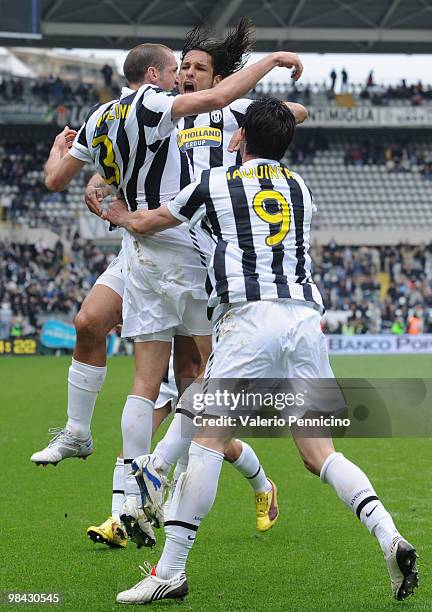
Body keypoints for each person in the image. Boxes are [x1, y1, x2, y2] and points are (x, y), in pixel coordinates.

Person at [105, 99, 418, 605]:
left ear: (241, 136)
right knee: (320, 454)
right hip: (303, 322)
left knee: (206, 442)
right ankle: (389, 535)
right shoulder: (300, 188)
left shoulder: (214, 184)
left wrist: (113, 208)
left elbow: (146, 224)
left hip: (250, 320)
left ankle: (171, 569)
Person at [34, 35, 304, 547]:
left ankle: (258, 482)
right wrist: (101, 185)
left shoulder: (228, 114)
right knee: (94, 324)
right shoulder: (163, 114)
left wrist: (254, 121)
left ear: (218, 79)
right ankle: (125, 506)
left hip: (196, 256)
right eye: (182, 67)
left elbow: (293, 111)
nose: (187, 74)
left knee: (194, 394)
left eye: (198, 68)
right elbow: (126, 166)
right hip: (143, 246)